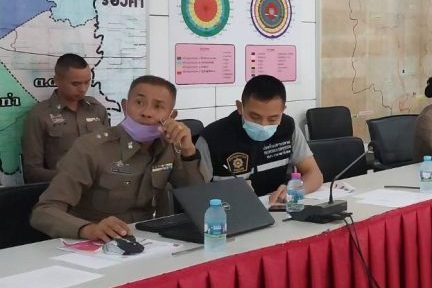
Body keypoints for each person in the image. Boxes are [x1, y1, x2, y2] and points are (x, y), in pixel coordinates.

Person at [30, 75, 204, 241]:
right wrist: (89, 229)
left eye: (158, 106)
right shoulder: (91, 148)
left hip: (148, 240)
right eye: (139, 102)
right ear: (125, 106)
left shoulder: (169, 147)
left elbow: (199, 201)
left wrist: (188, 151)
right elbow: (44, 212)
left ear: (171, 116)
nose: (146, 112)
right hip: (95, 243)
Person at [197, 74, 323, 203]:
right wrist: (231, 192)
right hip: (229, 209)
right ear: (240, 107)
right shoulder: (211, 138)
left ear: (283, 110)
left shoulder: (288, 127)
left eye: (272, 119)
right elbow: (195, 193)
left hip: (276, 207)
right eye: (254, 117)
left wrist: (294, 191)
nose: (263, 125)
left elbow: (314, 173)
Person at [21, 53, 109, 183]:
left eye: (87, 82)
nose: (83, 89)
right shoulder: (39, 115)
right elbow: (32, 172)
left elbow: (109, 155)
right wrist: (68, 176)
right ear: (57, 80)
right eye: (75, 84)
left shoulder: (97, 109)